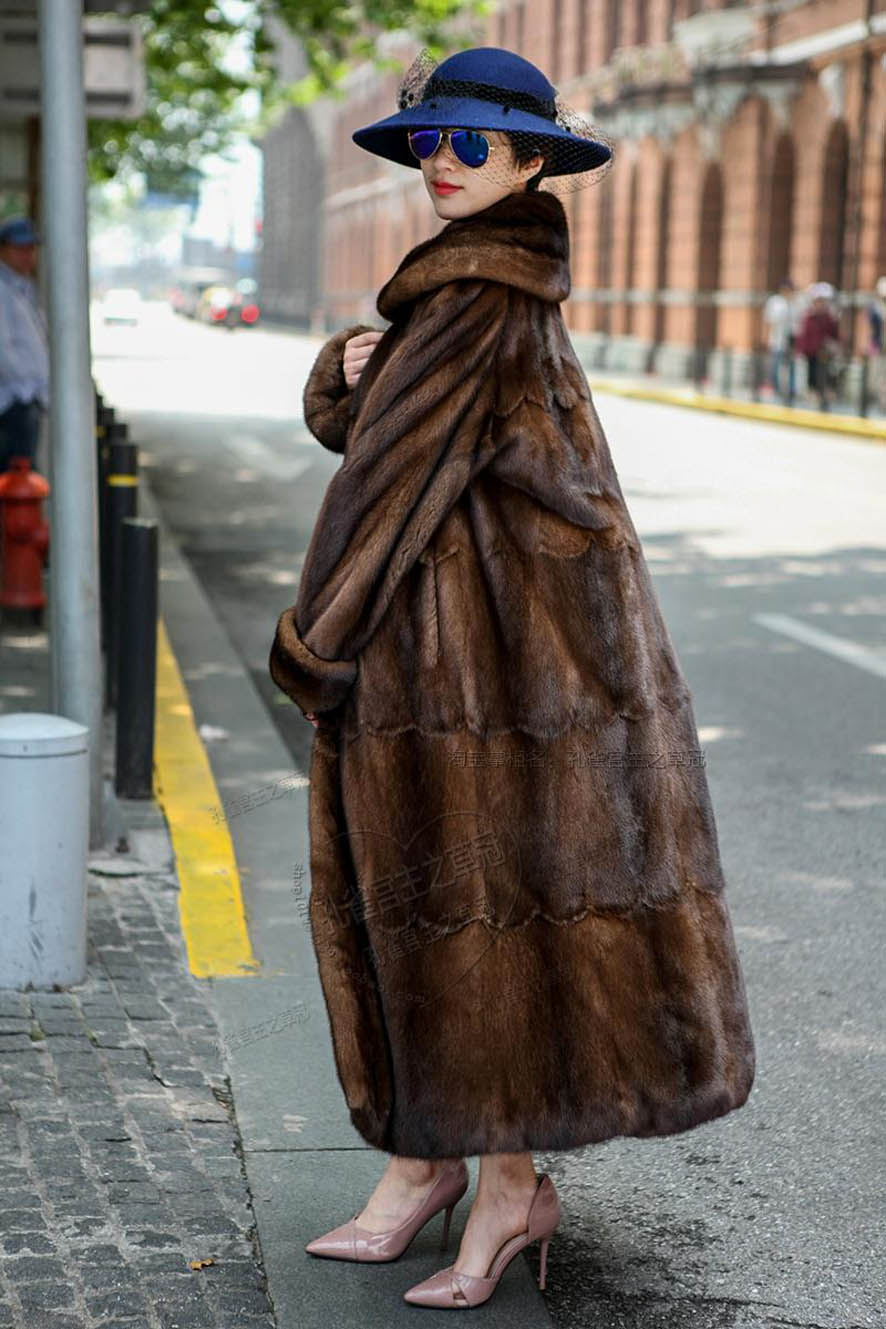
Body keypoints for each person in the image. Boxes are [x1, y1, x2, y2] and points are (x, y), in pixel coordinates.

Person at [269, 45, 755, 1311]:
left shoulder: (475, 290)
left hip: (486, 662)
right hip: (513, 651)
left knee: (469, 914)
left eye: (471, 145)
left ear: (532, 161)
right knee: (459, 912)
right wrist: (351, 368)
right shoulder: (470, 292)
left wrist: (310, 648)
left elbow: (378, 490)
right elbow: (391, 434)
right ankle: (437, 1166)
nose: (442, 159)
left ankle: (496, 1185)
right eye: (429, 141)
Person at [0, 217, 48, 472]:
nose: (27, 255)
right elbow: (3, 350)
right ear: (4, 249)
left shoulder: (23, 286)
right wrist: (25, 387)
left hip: (26, 398)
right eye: (20, 248)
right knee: (16, 479)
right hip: (12, 400)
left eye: (31, 248)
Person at [795, 281, 841, 411]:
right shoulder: (809, 317)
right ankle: (813, 397)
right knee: (812, 375)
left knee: (827, 376)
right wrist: (801, 350)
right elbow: (803, 335)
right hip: (812, 353)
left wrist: (834, 347)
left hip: (826, 353)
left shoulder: (829, 318)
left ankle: (825, 398)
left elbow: (834, 335)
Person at [763, 276, 800, 404]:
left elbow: (799, 321)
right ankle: (776, 388)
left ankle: (791, 390)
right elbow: (769, 321)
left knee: (792, 366)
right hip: (777, 339)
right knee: (775, 365)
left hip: (792, 340)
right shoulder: (775, 302)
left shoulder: (795, 303)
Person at [865, 275, 886, 414]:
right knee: (875, 377)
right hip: (878, 347)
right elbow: (873, 327)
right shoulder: (875, 308)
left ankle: (883, 402)